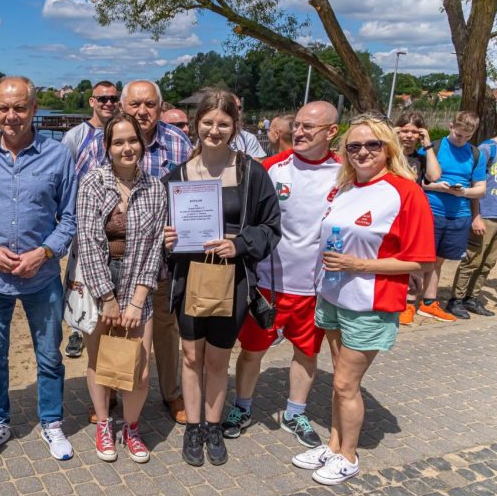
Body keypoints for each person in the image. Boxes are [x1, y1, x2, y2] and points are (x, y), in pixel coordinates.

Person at [293, 114, 434, 484]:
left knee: (344, 383)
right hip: (333, 295)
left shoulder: (406, 192)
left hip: (371, 303)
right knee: (341, 381)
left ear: (388, 148)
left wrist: (359, 264)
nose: (363, 152)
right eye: (354, 146)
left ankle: (349, 455)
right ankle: (334, 444)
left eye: (373, 144)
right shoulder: (346, 187)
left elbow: (421, 260)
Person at [164, 89, 281, 467]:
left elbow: (271, 227)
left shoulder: (252, 173)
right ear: (196, 124)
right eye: (207, 122)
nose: (214, 130)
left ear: (235, 127)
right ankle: (192, 427)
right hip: (189, 277)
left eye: (223, 124)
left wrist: (240, 244)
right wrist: (168, 240)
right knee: (190, 355)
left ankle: (213, 426)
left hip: (232, 278)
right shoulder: (178, 176)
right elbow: (163, 233)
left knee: (217, 358)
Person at [0, 76, 77, 462]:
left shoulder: (58, 155)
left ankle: (52, 422)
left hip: (41, 278)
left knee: (49, 355)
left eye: (20, 108)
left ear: (34, 109)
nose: (11, 116)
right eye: (3, 108)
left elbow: (69, 218)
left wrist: (44, 253)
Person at [228, 101, 342, 449]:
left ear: (332, 132)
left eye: (309, 127)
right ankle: (242, 407)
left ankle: (295, 412)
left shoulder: (346, 172)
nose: (300, 132)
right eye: (298, 126)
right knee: (251, 351)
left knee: (306, 353)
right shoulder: (272, 168)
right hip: (268, 285)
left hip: (315, 288)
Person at [78, 80, 191, 425]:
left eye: (150, 104)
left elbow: (193, 193)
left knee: (164, 332)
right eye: (135, 104)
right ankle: (108, 398)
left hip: (157, 262)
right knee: (106, 340)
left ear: (160, 106)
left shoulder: (178, 142)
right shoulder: (94, 152)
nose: (143, 111)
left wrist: (185, 230)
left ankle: (170, 393)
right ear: (123, 107)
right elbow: (84, 215)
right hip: (106, 268)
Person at [77, 112, 167, 463]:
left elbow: (155, 246)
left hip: (138, 283)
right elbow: (88, 241)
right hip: (99, 282)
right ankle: (103, 423)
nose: (127, 148)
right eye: (118, 142)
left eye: (133, 140)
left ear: (142, 144)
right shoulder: (93, 183)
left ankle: (131, 426)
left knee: (139, 368)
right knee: (100, 360)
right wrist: (107, 298)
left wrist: (137, 300)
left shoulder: (155, 188)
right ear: (107, 146)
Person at [62, 81, 119, 360]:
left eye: (113, 99)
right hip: (84, 218)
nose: (108, 103)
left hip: (115, 220)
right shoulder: (76, 136)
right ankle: (77, 330)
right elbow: (64, 177)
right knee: (81, 277)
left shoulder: (120, 130)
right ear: (92, 101)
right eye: (103, 98)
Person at [418, 111, 486, 322]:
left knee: (438, 261)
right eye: (458, 134)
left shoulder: (475, 154)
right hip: (430, 211)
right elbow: (418, 179)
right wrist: (436, 187)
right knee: (420, 259)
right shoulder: (434, 147)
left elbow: (481, 189)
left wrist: (463, 192)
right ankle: (408, 301)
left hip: (458, 215)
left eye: (467, 136)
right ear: (451, 126)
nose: (461, 140)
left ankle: (428, 302)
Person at [448, 108, 497, 318]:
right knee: (473, 259)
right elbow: (475, 184)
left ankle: (472, 297)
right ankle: (456, 299)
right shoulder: (487, 149)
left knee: (489, 261)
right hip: (486, 213)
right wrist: (477, 216)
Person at [394, 112, 441, 325]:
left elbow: (434, 176)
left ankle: (409, 303)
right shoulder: (388, 154)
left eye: (414, 132)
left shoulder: (420, 159)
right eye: (404, 130)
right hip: (390, 213)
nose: (409, 135)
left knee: (414, 259)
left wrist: (428, 145)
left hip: (411, 214)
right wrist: (391, 138)